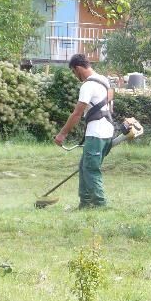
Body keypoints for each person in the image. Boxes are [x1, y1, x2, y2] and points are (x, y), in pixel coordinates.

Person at [54, 53, 115, 208]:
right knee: (84, 167)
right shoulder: (104, 80)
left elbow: (77, 114)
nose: (75, 76)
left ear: (78, 68)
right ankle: (85, 204)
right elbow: (111, 95)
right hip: (107, 131)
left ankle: (100, 205)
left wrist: (62, 134)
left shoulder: (87, 85)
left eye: (74, 72)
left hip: (97, 133)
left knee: (91, 169)